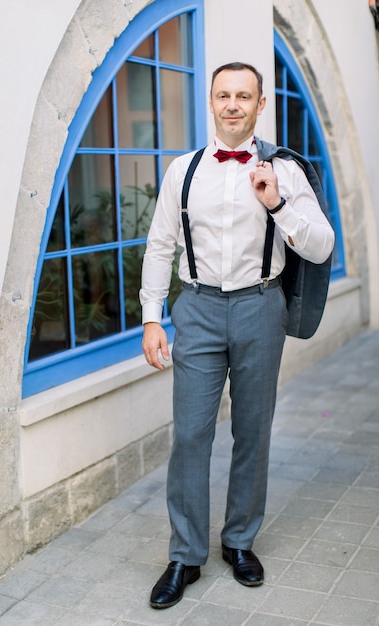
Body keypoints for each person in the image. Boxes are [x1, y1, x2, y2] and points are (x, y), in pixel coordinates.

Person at [140, 61, 334, 610]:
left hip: (259, 307)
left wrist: (276, 202)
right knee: (191, 436)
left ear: (259, 104)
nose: (232, 105)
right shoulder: (183, 170)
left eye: (243, 96)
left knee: (253, 430)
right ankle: (184, 555)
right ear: (211, 102)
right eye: (223, 95)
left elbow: (321, 245)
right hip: (197, 308)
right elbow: (159, 246)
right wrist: (153, 317)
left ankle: (240, 542)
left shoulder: (286, 172)